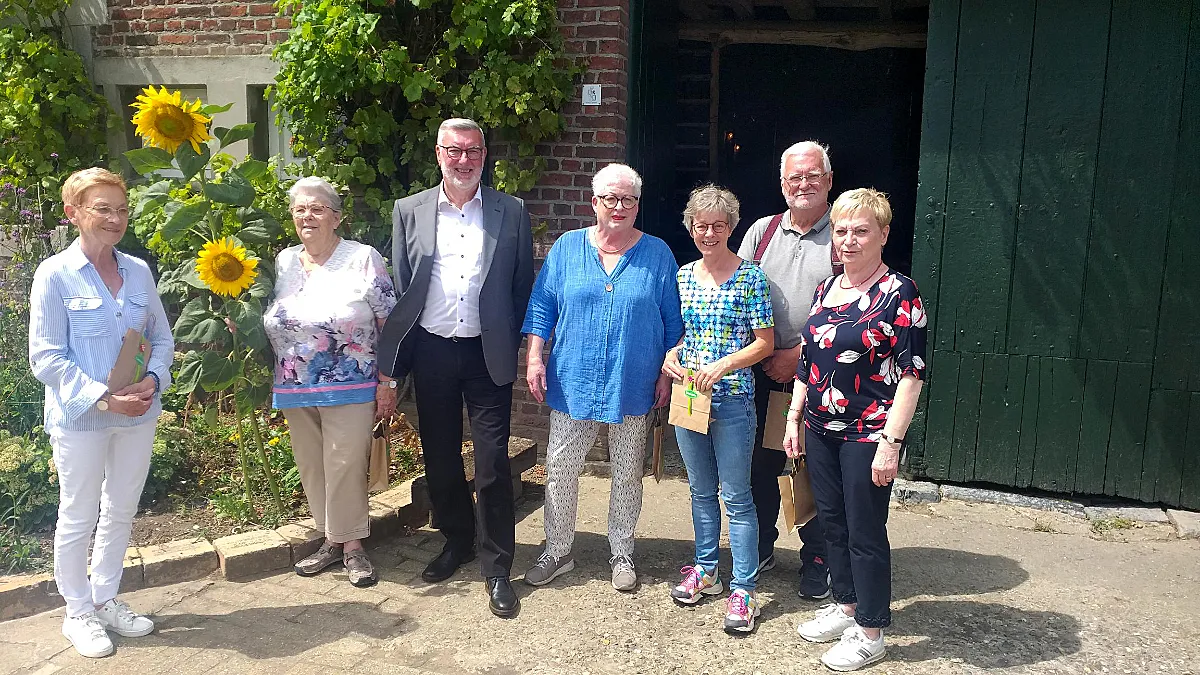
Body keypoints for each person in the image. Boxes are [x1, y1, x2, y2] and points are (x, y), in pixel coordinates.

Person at [378, 117, 534, 618]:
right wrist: (397, 364)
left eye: (472, 151)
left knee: (491, 463)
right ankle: (457, 541)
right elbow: (405, 286)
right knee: (440, 454)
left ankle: (497, 565)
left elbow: (520, 286)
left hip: (487, 352)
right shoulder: (410, 210)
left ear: (484, 155)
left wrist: (518, 344)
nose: (463, 160)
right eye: (453, 151)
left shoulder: (511, 211)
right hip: (433, 350)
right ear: (438, 154)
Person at [29, 167, 174, 658]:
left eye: (121, 208)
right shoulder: (54, 274)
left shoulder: (138, 271)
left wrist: (154, 380)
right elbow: (46, 356)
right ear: (73, 214)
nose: (116, 218)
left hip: (138, 414)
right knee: (79, 512)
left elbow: (161, 337)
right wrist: (104, 397)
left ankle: (105, 596)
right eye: (103, 208)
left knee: (122, 507)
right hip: (82, 419)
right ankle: (78, 611)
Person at [521, 163, 682, 592]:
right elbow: (542, 307)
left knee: (628, 471)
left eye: (628, 199)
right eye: (610, 198)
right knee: (559, 467)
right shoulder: (567, 248)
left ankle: (622, 552)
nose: (619, 206)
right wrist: (535, 357)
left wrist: (667, 372)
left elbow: (673, 324)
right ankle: (557, 550)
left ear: (637, 205)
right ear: (594, 202)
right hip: (573, 380)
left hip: (634, 381)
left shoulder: (658, 254)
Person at [783, 188, 926, 671]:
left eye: (861, 231)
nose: (849, 240)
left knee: (865, 530)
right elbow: (809, 358)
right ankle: (844, 604)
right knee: (830, 521)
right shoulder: (827, 288)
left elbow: (912, 374)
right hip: (821, 427)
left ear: (883, 234)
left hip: (868, 432)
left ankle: (871, 629)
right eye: (842, 231)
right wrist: (795, 416)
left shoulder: (899, 293)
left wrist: (891, 444)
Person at [264, 176, 398, 588]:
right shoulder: (284, 261)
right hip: (294, 383)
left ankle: (353, 547)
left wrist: (388, 381)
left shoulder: (362, 258)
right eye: (300, 208)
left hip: (352, 382)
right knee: (312, 466)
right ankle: (330, 539)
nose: (308, 215)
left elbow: (388, 320)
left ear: (337, 217)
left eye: (318, 208)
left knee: (344, 465)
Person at [663, 185, 774, 634]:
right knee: (700, 491)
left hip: (731, 401)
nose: (709, 233)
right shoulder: (683, 275)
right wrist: (671, 355)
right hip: (689, 396)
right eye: (701, 225)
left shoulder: (751, 278)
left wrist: (725, 364)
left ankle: (743, 587)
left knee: (737, 495)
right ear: (691, 228)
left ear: (732, 227)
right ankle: (706, 570)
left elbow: (765, 344)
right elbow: (679, 332)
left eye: (719, 225)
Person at [736, 140, 836, 599]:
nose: (803, 184)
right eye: (795, 177)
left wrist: (798, 356)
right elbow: (737, 292)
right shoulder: (763, 229)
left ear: (828, 180)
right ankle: (759, 546)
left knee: (813, 466)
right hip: (761, 372)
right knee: (760, 462)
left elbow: (857, 305)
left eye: (812, 175)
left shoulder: (844, 232)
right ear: (782, 184)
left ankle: (818, 556)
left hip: (818, 376)